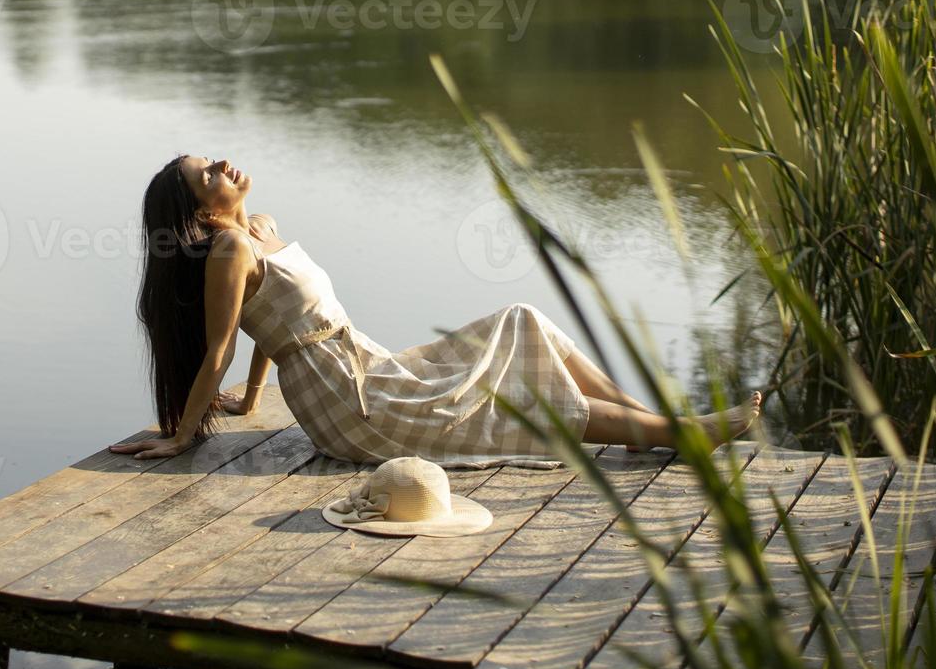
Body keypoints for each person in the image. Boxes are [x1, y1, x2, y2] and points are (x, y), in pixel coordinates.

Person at [111, 153, 761, 463]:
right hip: (347, 401)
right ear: (202, 209)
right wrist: (179, 434)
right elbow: (221, 344)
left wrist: (252, 402)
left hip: (365, 362)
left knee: (522, 321)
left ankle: (648, 424)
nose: (224, 163)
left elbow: (266, 326)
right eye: (207, 174)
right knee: (511, 402)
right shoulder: (227, 250)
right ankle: (680, 435)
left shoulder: (262, 229)